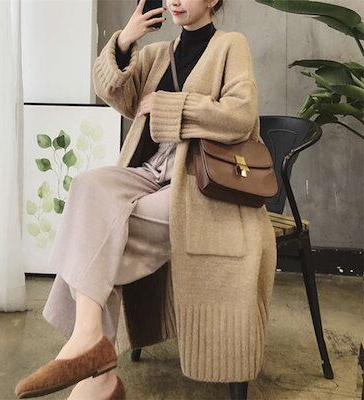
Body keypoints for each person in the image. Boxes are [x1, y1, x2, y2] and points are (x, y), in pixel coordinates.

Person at [15, 0, 277, 398]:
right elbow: (113, 94)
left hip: (196, 185)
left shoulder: (230, 45)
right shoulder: (156, 54)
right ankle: (90, 342)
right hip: (151, 172)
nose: (174, 1)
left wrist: (168, 105)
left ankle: (95, 369)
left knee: (105, 231)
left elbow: (240, 115)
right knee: (88, 186)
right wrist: (125, 41)